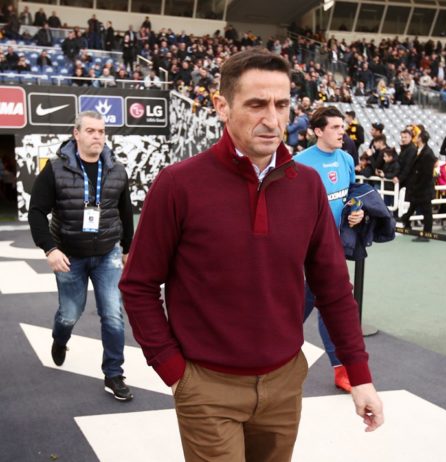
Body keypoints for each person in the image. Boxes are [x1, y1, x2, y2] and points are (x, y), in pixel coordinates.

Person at [119, 49, 383, 462]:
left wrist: (359, 374)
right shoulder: (177, 184)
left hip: (285, 384)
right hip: (206, 387)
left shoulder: (308, 186)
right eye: (257, 104)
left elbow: (333, 287)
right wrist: (173, 369)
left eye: (282, 104)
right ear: (222, 106)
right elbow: (138, 285)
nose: (273, 119)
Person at [28, 111, 134, 402]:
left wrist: (127, 248)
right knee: (69, 314)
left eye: (101, 131)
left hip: (107, 254)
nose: (97, 136)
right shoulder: (55, 169)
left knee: (113, 314)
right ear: (76, 134)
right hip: (69, 256)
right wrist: (50, 249)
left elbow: (125, 212)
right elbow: (36, 212)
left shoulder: (117, 169)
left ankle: (114, 374)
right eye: (90, 131)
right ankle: (60, 338)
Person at [294, 106, 365, 393]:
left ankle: (341, 369)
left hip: (334, 249)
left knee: (330, 307)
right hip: (305, 252)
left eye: (342, 127)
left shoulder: (346, 158)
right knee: (300, 306)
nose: (341, 132)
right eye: (335, 127)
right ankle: (264, 348)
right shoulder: (299, 163)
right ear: (318, 131)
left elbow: (352, 196)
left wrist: (357, 211)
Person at [400, 129, 437, 242]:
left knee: (427, 213)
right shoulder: (419, 150)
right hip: (418, 187)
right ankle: (405, 220)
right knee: (413, 207)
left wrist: (418, 187)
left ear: (420, 138)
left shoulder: (428, 153)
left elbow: (427, 175)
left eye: (418, 136)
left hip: (424, 188)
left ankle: (426, 235)